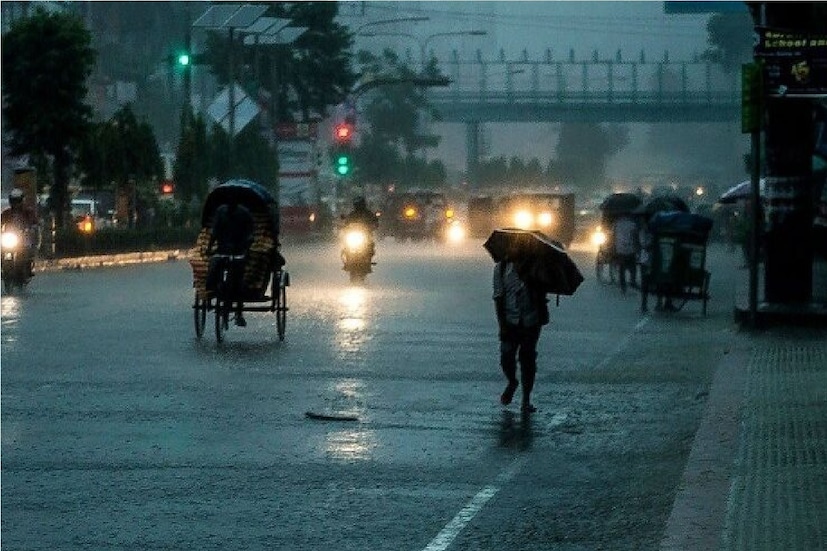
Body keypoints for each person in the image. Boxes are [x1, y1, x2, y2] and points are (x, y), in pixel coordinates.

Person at [492, 242, 550, 413]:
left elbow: (544, 289)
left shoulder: (536, 268)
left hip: (531, 320)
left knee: (528, 359)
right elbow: (498, 298)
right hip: (510, 321)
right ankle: (512, 381)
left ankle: (526, 399)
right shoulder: (500, 269)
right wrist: (502, 325)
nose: (513, 250)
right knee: (506, 357)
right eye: (511, 246)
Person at [207, 197, 255, 326]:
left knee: (238, 280)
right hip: (222, 249)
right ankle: (212, 289)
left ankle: (239, 313)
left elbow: (250, 232)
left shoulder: (244, 213)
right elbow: (215, 231)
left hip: (239, 250)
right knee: (214, 267)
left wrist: (247, 245)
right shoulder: (221, 212)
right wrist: (209, 247)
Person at [1, 188, 39, 277]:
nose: (15, 203)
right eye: (13, 201)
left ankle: (28, 266)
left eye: (17, 200)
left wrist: (32, 227)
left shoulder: (28, 212)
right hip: (10, 236)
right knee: (2, 250)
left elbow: (34, 222)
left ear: (22, 200)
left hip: (24, 237)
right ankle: (3, 267)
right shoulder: (7, 213)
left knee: (27, 249)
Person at [612, 213, 639, 294]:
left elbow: (613, 236)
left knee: (622, 269)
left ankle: (623, 286)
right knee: (633, 268)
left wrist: (614, 247)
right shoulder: (633, 224)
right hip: (631, 249)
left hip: (620, 249)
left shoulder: (616, 224)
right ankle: (632, 281)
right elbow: (635, 237)